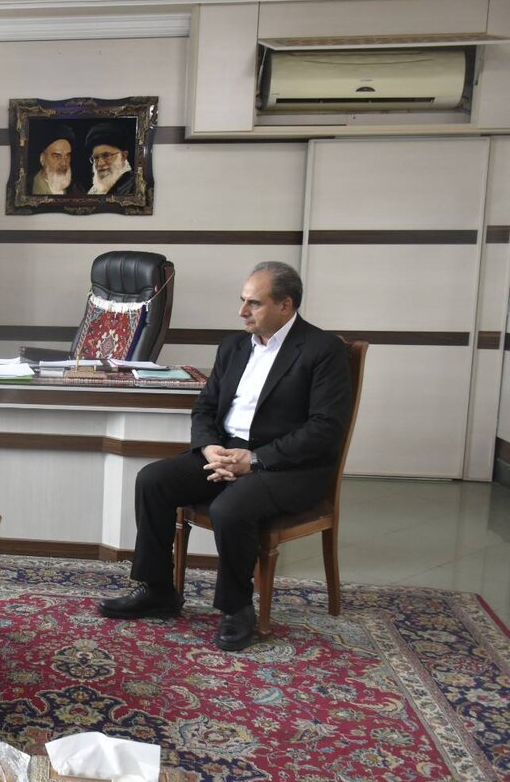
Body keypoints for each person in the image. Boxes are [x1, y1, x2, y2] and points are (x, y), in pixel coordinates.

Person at [99, 262, 352, 651]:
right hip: (226, 449)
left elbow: (324, 429)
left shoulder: (323, 350)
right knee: (153, 480)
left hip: (287, 466)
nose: (242, 312)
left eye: (254, 303)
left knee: (230, 509)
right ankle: (158, 590)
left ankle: (237, 609)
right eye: (242, 301)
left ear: (286, 305)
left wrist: (255, 459)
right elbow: (204, 408)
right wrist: (209, 448)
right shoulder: (233, 346)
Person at [30, 123, 84, 196]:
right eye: (57, 156)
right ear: (42, 159)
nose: (64, 163)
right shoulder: (28, 187)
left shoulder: (77, 189)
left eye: (67, 156)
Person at [84, 123, 136, 195]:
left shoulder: (134, 188)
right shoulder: (94, 191)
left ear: (123, 156)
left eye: (106, 155)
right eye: (96, 158)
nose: (100, 163)